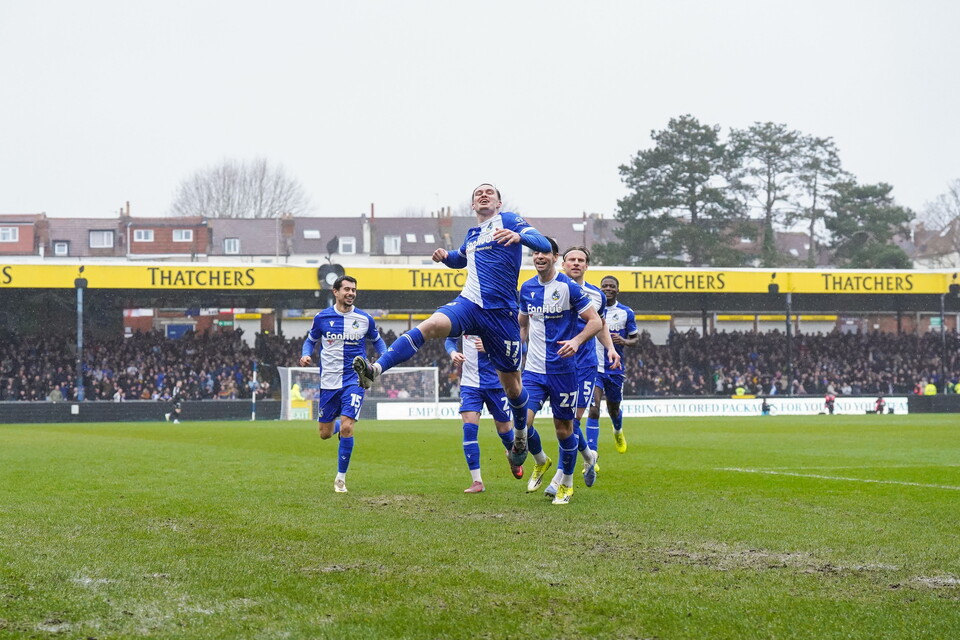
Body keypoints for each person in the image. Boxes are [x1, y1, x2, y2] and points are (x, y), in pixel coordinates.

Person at [352, 183, 551, 468]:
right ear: (472, 206)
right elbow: (461, 259)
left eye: (489, 193)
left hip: (501, 315)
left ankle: (520, 437)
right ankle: (375, 369)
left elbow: (543, 244)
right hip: (469, 305)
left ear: (498, 202)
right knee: (431, 325)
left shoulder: (509, 221)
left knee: (513, 388)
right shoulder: (472, 235)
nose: (483, 195)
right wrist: (446, 257)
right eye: (477, 194)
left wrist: (519, 236)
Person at [518, 238, 602, 505]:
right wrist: (515, 354)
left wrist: (576, 342)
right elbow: (521, 327)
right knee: (522, 422)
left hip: (565, 370)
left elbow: (596, 322)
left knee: (565, 429)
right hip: (533, 371)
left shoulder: (568, 288)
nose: (539, 256)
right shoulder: (527, 288)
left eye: (545, 252)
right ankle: (541, 460)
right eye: (535, 252)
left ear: (555, 257)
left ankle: (566, 482)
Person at [299, 275, 387, 493]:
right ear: (335, 292)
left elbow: (378, 342)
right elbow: (310, 340)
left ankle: (340, 479)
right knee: (324, 433)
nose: (351, 293)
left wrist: (383, 360)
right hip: (329, 381)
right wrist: (305, 355)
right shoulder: (322, 318)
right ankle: (337, 428)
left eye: (354, 290)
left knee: (348, 426)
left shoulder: (365, 319)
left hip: (355, 379)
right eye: (346, 289)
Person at [544, 247, 620, 494]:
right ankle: (589, 456)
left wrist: (610, 349)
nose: (576, 263)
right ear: (562, 263)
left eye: (581, 260)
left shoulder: (596, 295)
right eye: (571, 260)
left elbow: (601, 324)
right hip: (557, 364)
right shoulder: (548, 289)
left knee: (571, 421)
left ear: (587, 266)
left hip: (586, 366)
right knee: (564, 423)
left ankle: (559, 479)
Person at [445, 333, 523, 493]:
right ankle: (477, 481)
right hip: (470, 384)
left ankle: (513, 458)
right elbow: (450, 340)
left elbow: (517, 346)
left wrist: (491, 347)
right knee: (469, 429)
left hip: (497, 383)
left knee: (505, 431)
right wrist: (453, 353)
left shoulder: (495, 318)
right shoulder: (464, 316)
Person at [588, 275, 637, 456]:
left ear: (618, 290)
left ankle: (617, 431)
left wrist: (623, 340)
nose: (607, 288)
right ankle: (592, 455)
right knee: (594, 409)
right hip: (594, 367)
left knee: (613, 408)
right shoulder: (590, 311)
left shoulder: (626, 312)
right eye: (604, 286)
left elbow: (635, 339)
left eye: (611, 286)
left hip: (615, 368)